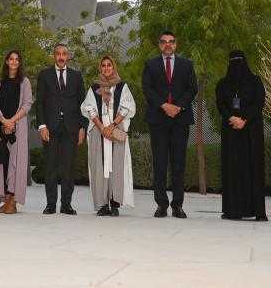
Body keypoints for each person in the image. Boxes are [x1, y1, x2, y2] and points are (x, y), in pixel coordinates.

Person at [142, 30, 197, 219]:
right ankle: (161, 205)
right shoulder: (150, 65)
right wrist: (164, 105)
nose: (168, 45)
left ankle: (178, 205)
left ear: (176, 44)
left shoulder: (187, 65)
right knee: (159, 163)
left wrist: (178, 107)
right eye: (164, 42)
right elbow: (147, 89)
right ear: (159, 45)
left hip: (180, 120)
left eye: (171, 42)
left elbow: (192, 89)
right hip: (158, 119)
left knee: (179, 164)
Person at [81, 55, 136, 216]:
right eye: (103, 65)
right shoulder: (94, 88)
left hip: (115, 130)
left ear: (113, 67)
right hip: (99, 132)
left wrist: (111, 126)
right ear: (101, 68)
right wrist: (101, 127)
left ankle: (115, 203)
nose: (106, 68)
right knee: (100, 167)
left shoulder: (122, 87)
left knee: (117, 167)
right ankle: (102, 204)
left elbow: (127, 107)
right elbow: (89, 108)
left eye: (109, 65)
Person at [216, 50, 267, 221]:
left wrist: (244, 119)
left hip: (251, 132)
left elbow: (259, 103)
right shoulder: (222, 84)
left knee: (253, 168)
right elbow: (220, 104)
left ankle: (257, 210)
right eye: (233, 62)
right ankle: (233, 210)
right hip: (231, 133)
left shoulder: (255, 81)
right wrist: (231, 117)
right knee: (232, 169)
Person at [36, 43, 87, 215]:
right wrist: (42, 125)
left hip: (71, 128)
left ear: (68, 56)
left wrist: (82, 127)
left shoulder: (76, 76)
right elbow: (40, 103)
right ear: (53, 55)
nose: (61, 56)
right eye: (58, 53)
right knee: (50, 167)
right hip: (50, 127)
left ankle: (66, 204)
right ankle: (50, 204)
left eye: (64, 53)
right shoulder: (44, 75)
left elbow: (83, 104)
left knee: (68, 168)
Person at [0, 50, 33, 214]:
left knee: (15, 164)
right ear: (6, 62)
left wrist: (12, 121)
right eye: (11, 59)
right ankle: (5, 199)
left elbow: (27, 104)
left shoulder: (25, 82)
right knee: (3, 163)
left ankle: (12, 201)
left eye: (17, 59)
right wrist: (3, 121)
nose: (14, 62)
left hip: (17, 128)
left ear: (19, 63)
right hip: (1, 128)